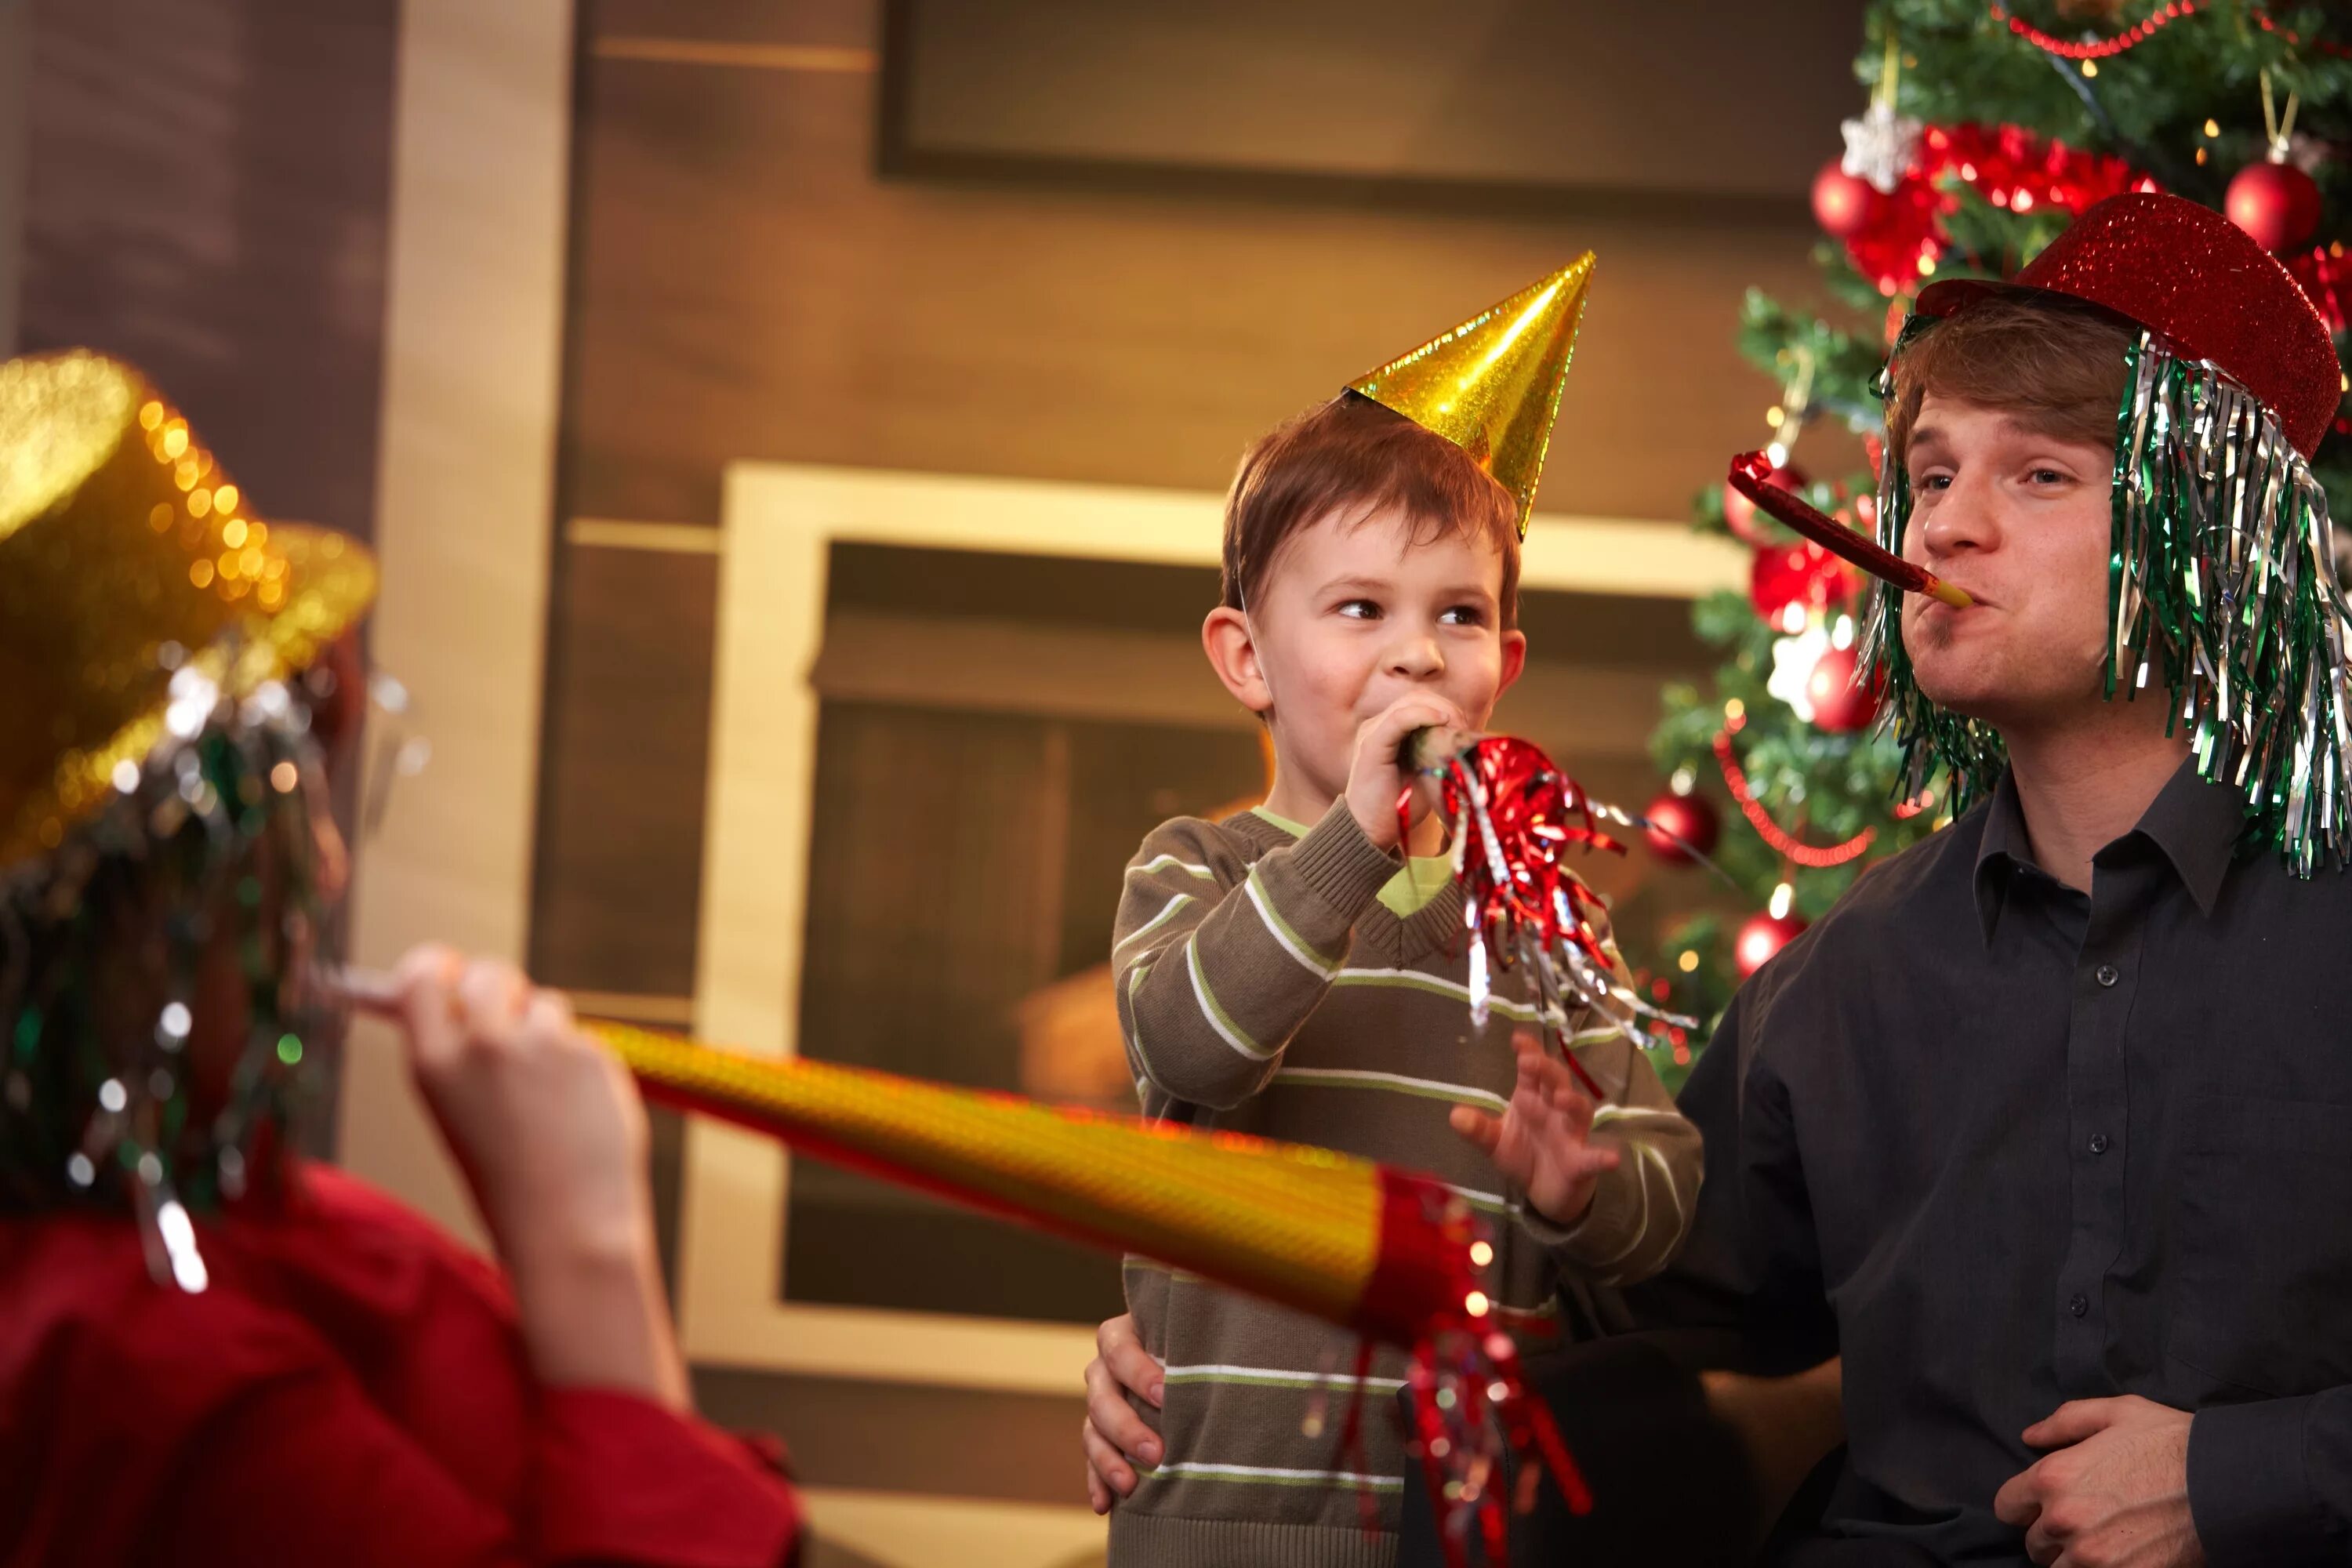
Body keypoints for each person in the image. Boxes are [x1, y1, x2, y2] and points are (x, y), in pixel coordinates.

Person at [1094, 189, 2352, 1568]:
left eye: (2038, 475)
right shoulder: (1846, 982)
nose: (1940, 531)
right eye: (1931, 475)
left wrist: (2238, 1475)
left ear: (2205, 537)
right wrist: (1198, 1345)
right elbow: (1600, 1296)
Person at [0, 349, 802, 1566]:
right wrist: (585, 1245)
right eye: (254, 825)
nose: (324, 870)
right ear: (101, 913)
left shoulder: (272, 1222)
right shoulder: (134, 1359)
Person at [1101, 263, 1703, 1567]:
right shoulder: (1195, 868)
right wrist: (1351, 845)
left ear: (1507, 669)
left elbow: (1666, 1199)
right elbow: (1191, 1047)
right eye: (1361, 609)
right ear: (1247, 658)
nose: (1418, 653)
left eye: (1461, 616)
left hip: (1475, 1534)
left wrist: (1577, 1192)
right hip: (1220, 1524)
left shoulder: (1551, 928)